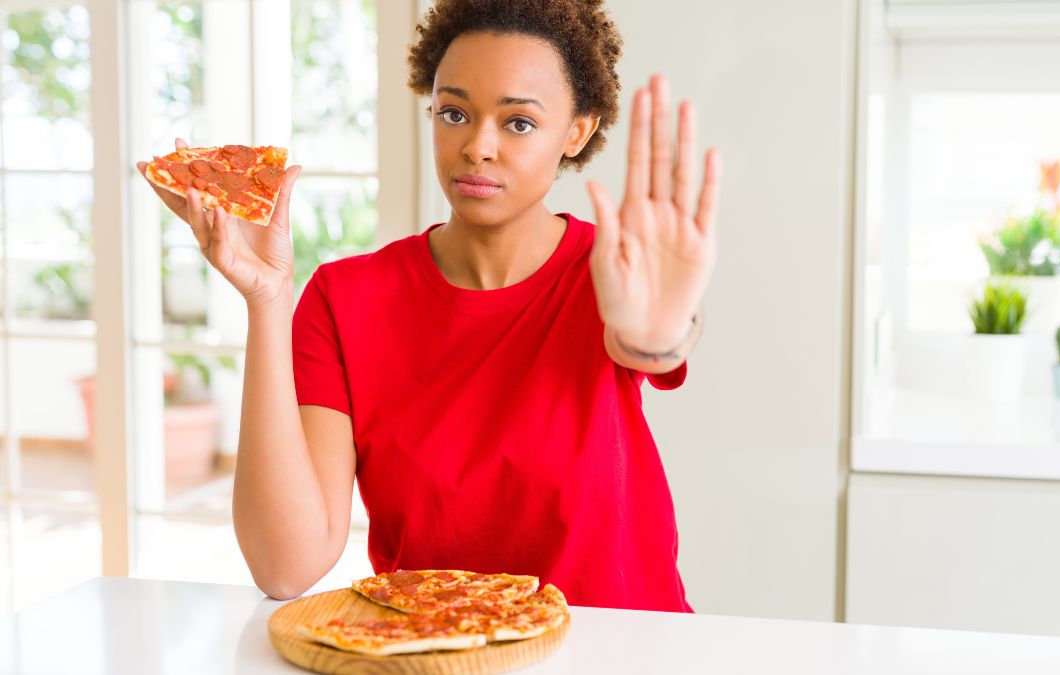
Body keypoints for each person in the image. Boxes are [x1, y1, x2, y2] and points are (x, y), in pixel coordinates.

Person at [137, 0, 720, 613]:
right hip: (433, 650)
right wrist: (266, 299)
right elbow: (286, 568)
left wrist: (658, 334)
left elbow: (655, 338)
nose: (477, 147)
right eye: (454, 113)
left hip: (619, 650)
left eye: (518, 122)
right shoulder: (345, 299)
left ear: (577, 130)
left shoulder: (614, 273)